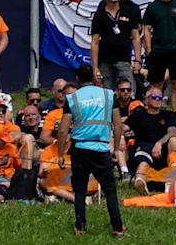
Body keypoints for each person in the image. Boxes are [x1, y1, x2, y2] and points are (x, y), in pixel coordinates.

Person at [62, 62, 125, 235]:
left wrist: (60, 154)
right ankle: (118, 228)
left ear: (77, 79)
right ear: (94, 77)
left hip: (80, 149)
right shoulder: (108, 95)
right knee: (110, 190)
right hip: (101, 148)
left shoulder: (72, 98)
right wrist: (116, 149)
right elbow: (118, 126)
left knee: (80, 190)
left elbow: (62, 130)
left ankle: (80, 227)